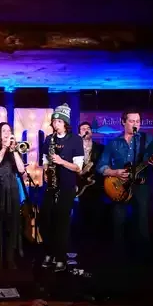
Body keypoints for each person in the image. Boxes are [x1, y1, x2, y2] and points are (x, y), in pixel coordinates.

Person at [97, 108, 153, 261]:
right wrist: (115, 172)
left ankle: (142, 258)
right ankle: (119, 258)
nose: (135, 124)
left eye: (138, 121)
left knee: (141, 222)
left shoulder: (149, 140)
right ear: (123, 122)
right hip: (120, 186)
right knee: (117, 221)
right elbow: (101, 166)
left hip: (140, 186)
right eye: (132, 121)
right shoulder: (113, 143)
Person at [39, 103, 84, 271]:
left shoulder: (75, 140)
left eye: (58, 121)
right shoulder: (49, 139)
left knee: (62, 222)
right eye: (54, 121)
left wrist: (61, 161)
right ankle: (49, 252)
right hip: (51, 186)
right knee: (45, 219)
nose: (55, 124)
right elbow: (44, 160)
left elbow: (78, 167)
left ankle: (60, 256)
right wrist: (46, 170)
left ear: (65, 123)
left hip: (66, 186)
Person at [0, 122, 26, 269]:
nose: (7, 133)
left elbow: (21, 170)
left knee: (12, 223)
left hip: (11, 187)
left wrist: (14, 150)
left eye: (9, 131)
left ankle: (10, 257)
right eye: (4, 131)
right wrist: (4, 148)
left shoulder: (13, 150)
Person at [75, 122, 105, 240]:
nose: (86, 130)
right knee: (82, 214)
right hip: (80, 186)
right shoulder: (75, 148)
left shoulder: (100, 148)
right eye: (83, 129)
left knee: (96, 213)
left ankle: (96, 239)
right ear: (79, 133)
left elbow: (104, 165)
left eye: (88, 128)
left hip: (96, 185)